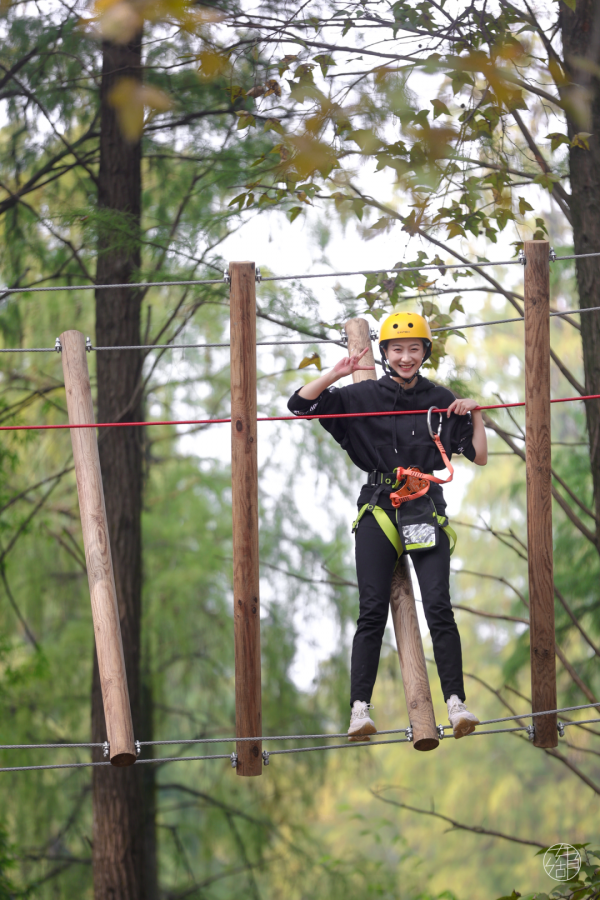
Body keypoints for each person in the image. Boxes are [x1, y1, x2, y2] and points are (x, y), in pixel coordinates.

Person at [287, 312, 488, 741]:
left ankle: (456, 704)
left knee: (439, 606)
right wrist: (335, 373)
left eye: (414, 349)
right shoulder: (360, 396)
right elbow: (299, 404)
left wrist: (475, 413)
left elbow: (478, 454)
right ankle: (360, 710)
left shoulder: (440, 399)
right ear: (384, 354)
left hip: (424, 508)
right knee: (371, 609)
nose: (406, 357)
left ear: (425, 353)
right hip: (379, 508)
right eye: (397, 350)